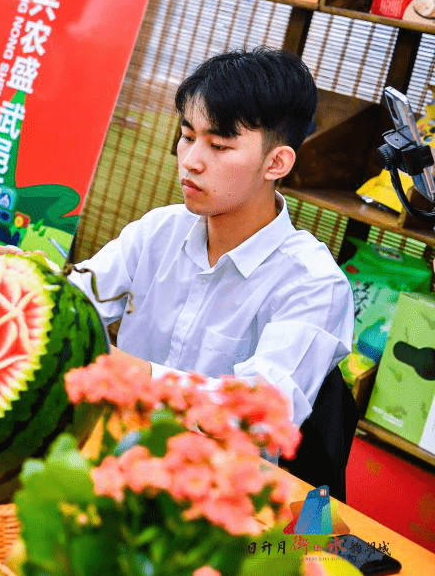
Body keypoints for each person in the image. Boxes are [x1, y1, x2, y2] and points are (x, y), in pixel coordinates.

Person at [66, 47, 354, 428]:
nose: (190, 161)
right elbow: (74, 304)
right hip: (110, 440)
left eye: (218, 146)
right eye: (187, 136)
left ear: (276, 163)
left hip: (214, 477)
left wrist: (133, 373)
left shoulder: (313, 284)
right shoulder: (159, 231)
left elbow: (258, 416)